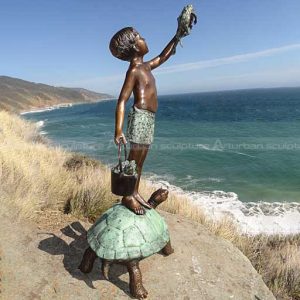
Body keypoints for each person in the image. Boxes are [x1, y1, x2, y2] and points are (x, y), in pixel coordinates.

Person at [110, 27, 181, 215]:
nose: (145, 39)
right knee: (133, 161)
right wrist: (118, 130)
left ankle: (134, 192)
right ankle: (127, 196)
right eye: (141, 37)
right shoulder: (134, 70)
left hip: (149, 118)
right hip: (140, 117)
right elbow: (122, 100)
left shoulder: (145, 66)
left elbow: (162, 57)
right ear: (134, 46)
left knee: (140, 161)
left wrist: (177, 36)